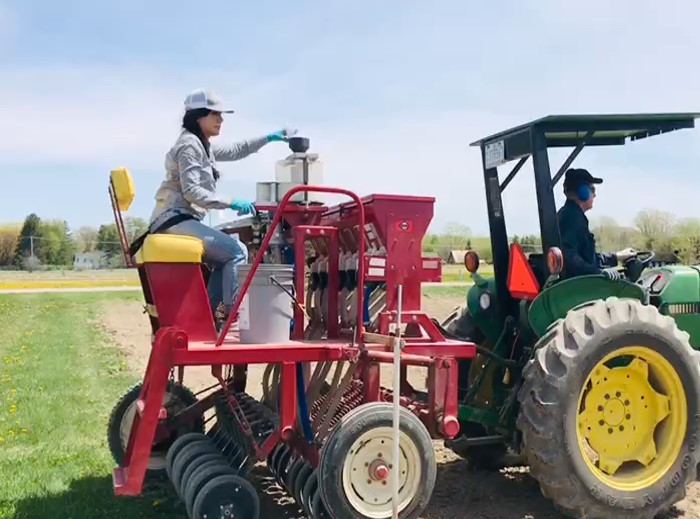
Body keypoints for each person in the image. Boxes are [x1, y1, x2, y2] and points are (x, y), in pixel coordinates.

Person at [147, 88, 296, 326]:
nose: (221, 119)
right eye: (215, 114)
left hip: (181, 220)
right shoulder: (189, 146)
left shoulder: (203, 146)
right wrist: (231, 202)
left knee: (224, 258)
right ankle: (229, 315)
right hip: (172, 221)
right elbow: (192, 191)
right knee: (236, 251)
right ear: (199, 116)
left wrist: (269, 138)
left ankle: (210, 317)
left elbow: (237, 150)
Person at [557, 168, 636, 280]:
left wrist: (617, 256)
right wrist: (598, 273)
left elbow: (587, 258)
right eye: (592, 189)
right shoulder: (572, 217)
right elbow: (568, 256)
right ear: (582, 191)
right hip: (577, 286)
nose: (595, 195)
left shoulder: (569, 214)